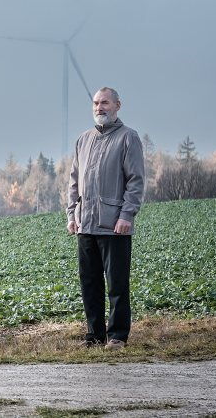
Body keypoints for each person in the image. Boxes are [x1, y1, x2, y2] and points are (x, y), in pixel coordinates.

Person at [66, 86, 145, 351]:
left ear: (118, 106)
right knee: (89, 284)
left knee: (117, 283)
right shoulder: (83, 139)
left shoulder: (128, 138)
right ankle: (94, 335)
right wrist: (71, 214)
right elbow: (74, 182)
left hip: (115, 225)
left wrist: (127, 215)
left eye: (105, 103)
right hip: (85, 224)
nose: (100, 108)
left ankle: (117, 336)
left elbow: (135, 181)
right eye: (96, 103)